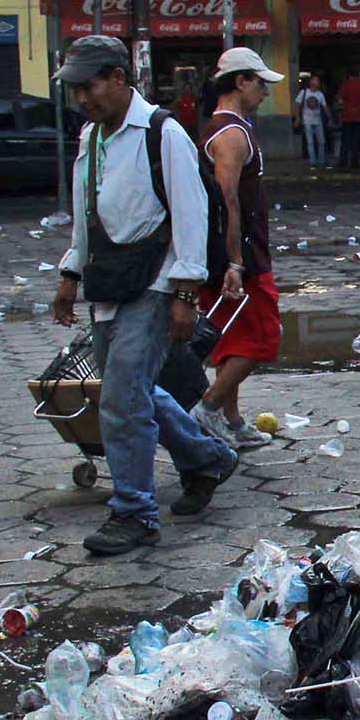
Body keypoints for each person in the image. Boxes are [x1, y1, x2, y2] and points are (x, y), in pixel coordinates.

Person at [49, 35, 237, 557]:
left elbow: (191, 211)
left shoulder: (162, 133)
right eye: (75, 89)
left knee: (122, 398)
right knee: (128, 391)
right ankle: (206, 458)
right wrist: (70, 274)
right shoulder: (90, 139)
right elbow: (86, 215)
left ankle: (134, 513)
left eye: (89, 85)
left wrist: (185, 291)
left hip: (157, 283)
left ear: (117, 77)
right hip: (111, 283)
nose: (83, 97)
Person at [191, 48, 285, 452]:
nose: (265, 92)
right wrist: (234, 261)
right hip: (240, 256)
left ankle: (230, 419)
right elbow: (225, 199)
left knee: (230, 339)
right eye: (260, 83)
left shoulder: (228, 127)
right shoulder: (231, 134)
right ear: (241, 81)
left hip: (232, 253)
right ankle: (208, 408)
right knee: (263, 338)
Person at [294, 73, 329, 167]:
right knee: (310, 142)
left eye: (318, 81)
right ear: (311, 82)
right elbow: (297, 104)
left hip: (318, 120)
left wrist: (329, 117)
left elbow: (325, 106)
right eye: (315, 80)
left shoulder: (320, 94)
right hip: (307, 120)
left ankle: (321, 161)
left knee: (321, 141)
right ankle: (313, 162)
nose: (316, 82)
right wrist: (298, 117)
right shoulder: (304, 92)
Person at [337, 67, 360, 169]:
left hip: (347, 116)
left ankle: (343, 162)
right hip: (358, 116)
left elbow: (340, 100)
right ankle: (354, 163)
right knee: (356, 141)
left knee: (345, 141)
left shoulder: (345, 84)